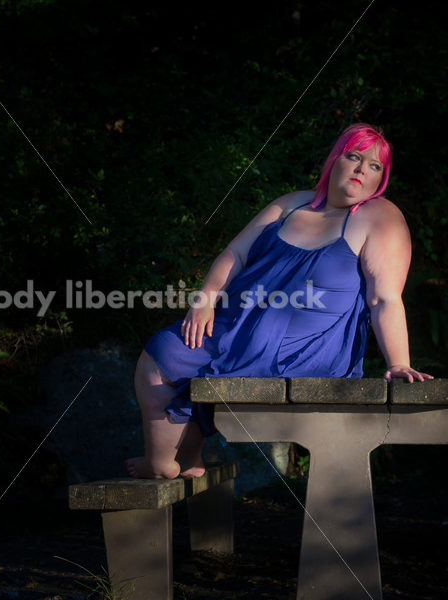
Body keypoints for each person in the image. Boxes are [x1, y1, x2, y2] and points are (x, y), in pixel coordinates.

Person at [124, 123, 434, 480]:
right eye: (354, 156)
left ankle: (164, 464)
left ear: (381, 180)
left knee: (191, 366)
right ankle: (179, 459)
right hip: (237, 327)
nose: (362, 168)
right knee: (161, 352)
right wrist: (205, 299)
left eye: (375, 165)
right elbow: (236, 254)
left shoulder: (379, 217)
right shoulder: (291, 203)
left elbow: (384, 299)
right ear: (335, 160)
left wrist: (399, 362)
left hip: (304, 350)